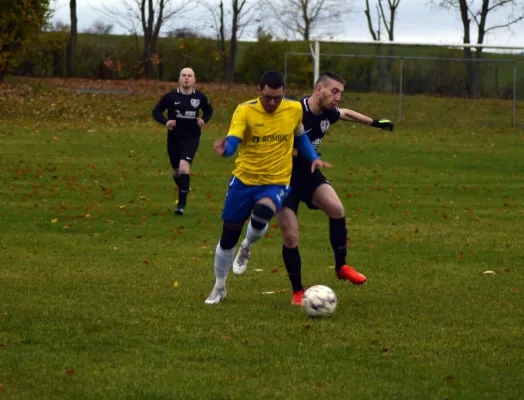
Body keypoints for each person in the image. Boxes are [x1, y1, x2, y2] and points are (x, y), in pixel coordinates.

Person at [233, 71, 394, 306]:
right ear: (319, 89)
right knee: (291, 236)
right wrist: (301, 152)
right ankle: (298, 291)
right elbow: (272, 143)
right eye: (334, 91)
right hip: (283, 178)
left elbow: (346, 113)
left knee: (337, 209)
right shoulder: (293, 111)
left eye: (340, 92)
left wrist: (375, 123)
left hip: (309, 174)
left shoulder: (329, 111)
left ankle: (341, 266)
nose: (337, 97)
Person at [205, 71, 331, 305]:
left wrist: (312, 156)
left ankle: (248, 244)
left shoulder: (293, 109)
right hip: (244, 179)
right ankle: (219, 287)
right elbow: (234, 139)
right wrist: (227, 148)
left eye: (278, 97)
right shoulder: (245, 110)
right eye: (268, 97)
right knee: (229, 234)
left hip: (277, 179)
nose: (273, 102)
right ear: (258, 90)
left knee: (263, 211)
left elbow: (300, 136)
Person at [152, 67, 213, 215]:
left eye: (189, 76)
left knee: (184, 167)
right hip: (174, 137)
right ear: (179, 79)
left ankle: (181, 205)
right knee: (177, 171)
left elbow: (209, 111)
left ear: (194, 80)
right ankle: (184, 189)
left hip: (192, 137)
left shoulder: (200, 97)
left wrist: (203, 120)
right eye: (184, 75)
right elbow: (156, 112)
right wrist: (166, 122)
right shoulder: (170, 97)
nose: (186, 78)